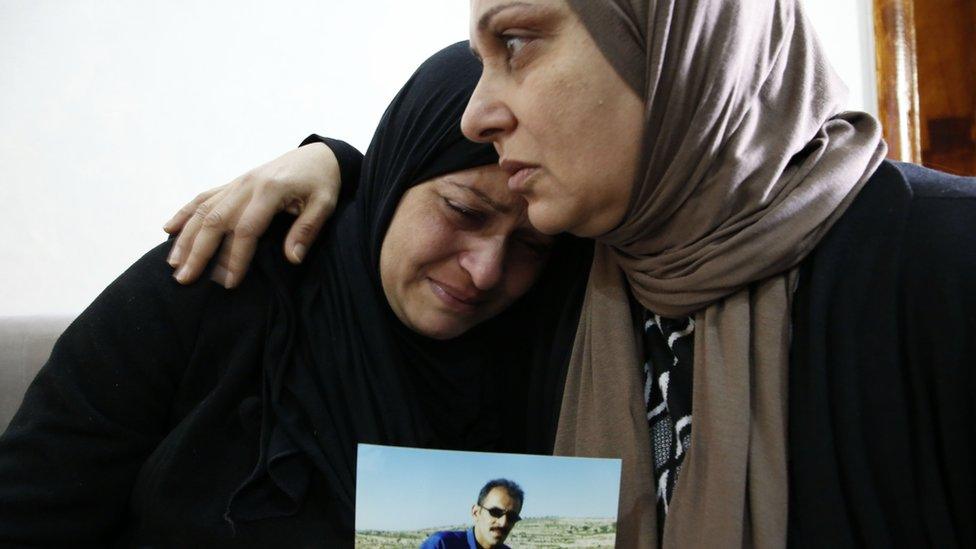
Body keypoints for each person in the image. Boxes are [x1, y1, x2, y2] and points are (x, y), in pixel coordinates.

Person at [165, 1, 976, 547]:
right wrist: (335, 164)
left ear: (670, 35)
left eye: (514, 42)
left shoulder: (942, 261)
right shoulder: (566, 289)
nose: (477, 115)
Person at [0, 43, 591, 547]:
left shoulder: (566, 355)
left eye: (533, 246)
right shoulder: (221, 277)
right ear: (395, 175)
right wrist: (333, 156)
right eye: (463, 211)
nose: (486, 270)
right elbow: (30, 511)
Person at [420, 479, 524, 549]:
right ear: (476, 513)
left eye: (512, 517)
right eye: (495, 512)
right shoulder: (442, 544)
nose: (503, 523)